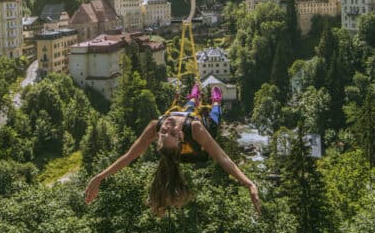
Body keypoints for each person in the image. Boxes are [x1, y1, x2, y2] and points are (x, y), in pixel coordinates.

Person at [84, 84, 260, 216]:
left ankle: (193, 98)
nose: (168, 126)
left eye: (164, 132)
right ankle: (216, 101)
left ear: (158, 134)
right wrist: (248, 183)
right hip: (199, 149)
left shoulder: (157, 124)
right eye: (172, 133)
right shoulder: (195, 129)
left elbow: (130, 155)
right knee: (213, 121)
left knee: (187, 110)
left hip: (186, 118)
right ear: (180, 137)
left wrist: (100, 177)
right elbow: (223, 159)